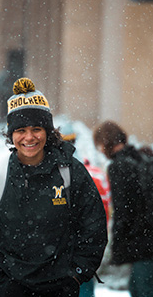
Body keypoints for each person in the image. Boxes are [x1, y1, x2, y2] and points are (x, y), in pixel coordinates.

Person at [0, 77, 108, 297]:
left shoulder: (70, 172)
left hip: (61, 290)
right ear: (11, 134)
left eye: (36, 128)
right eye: (21, 130)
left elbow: (93, 228)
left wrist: (76, 273)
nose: (29, 137)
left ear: (48, 131)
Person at [93, 120, 153, 297]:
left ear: (105, 143)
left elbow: (123, 210)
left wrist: (117, 246)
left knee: (143, 290)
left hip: (142, 244)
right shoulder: (143, 157)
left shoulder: (119, 166)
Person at [61, 126, 111, 297]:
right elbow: (105, 209)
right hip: (86, 248)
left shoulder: (56, 175)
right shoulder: (96, 174)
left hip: (63, 249)